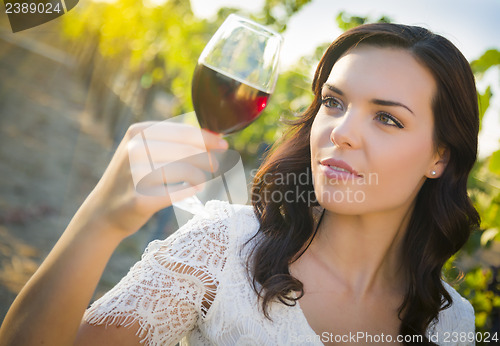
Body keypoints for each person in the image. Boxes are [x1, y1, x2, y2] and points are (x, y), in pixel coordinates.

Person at [0, 23, 479, 345]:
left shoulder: (453, 322)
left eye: (388, 119)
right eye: (333, 103)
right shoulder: (223, 250)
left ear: (439, 156)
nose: (342, 131)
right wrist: (99, 223)